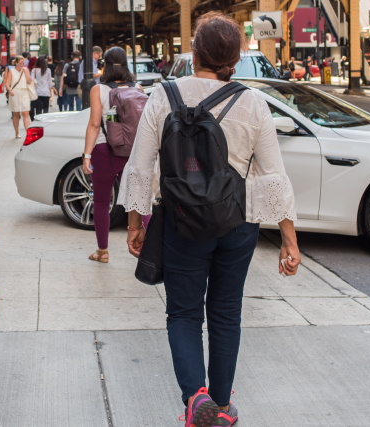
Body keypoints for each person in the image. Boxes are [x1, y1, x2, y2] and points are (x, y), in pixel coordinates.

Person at [118, 12, 300, 427]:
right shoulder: (252, 102)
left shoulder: (163, 97)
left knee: (183, 313)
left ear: (194, 51)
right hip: (239, 222)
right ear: (235, 58)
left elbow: (140, 167)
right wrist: (289, 238)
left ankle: (194, 396)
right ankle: (220, 405)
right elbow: (273, 175)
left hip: (182, 221)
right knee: (226, 311)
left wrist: (135, 222)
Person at [82, 47, 140, 264]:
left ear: (104, 64)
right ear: (126, 64)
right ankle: (148, 249)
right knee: (139, 200)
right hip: (132, 151)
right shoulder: (138, 88)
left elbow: (95, 124)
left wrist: (86, 155)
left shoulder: (98, 90)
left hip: (104, 150)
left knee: (101, 201)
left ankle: (103, 251)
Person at [4, 55, 34, 139]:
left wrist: (26, 73)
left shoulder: (26, 70)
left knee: (25, 113)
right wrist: (9, 90)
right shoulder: (12, 71)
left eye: (23, 63)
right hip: (15, 92)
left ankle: (28, 133)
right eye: (20, 63)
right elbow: (7, 83)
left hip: (24, 93)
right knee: (16, 113)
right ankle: (17, 132)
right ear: (16, 63)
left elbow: (29, 81)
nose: (22, 65)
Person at [30, 54, 56, 121]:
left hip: (37, 92)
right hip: (46, 92)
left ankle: (39, 122)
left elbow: (32, 81)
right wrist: (50, 92)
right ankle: (45, 121)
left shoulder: (34, 70)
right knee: (45, 108)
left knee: (38, 108)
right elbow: (49, 83)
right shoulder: (48, 70)